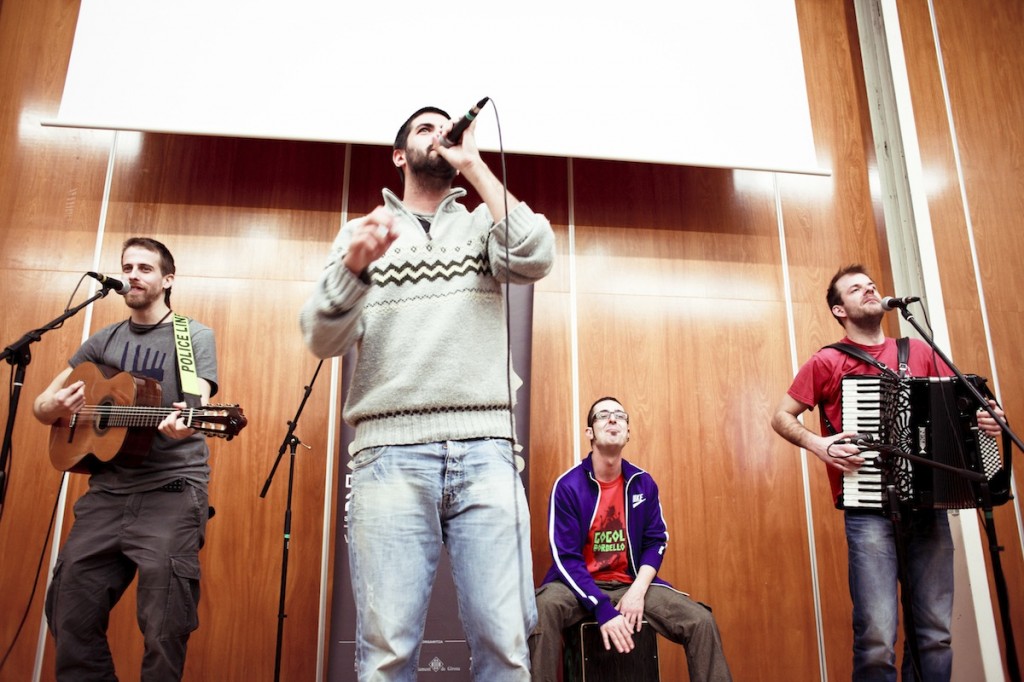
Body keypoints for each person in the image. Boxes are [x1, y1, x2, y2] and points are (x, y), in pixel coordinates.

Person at [300, 105, 554, 681]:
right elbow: (321, 335)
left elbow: (536, 254)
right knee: (386, 653)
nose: (438, 134)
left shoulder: (484, 225)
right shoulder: (360, 233)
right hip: (388, 456)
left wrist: (477, 167)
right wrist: (354, 271)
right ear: (398, 154)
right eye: (424, 128)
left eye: (447, 129)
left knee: (508, 644)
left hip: (486, 450)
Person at [770, 264, 1005, 681]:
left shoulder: (920, 351)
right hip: (868, 512)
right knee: (877, 636)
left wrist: (988, 419)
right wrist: (819, 444)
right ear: (839, 310)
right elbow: (782, 417)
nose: (869, 290)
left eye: (871, 285)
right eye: (856, 289)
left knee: (934, 633)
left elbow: (965, 407)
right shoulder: (828, 361)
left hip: (928, 505)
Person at [33, 237, 218, 681]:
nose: (133, 275)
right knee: (69, 608)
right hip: (108, 491)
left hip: (170, 490)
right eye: (127, 266)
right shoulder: (104, 339)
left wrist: (186, 421)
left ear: (167, 280)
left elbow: (198, 402)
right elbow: (42, 406)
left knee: (164, 623)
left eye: (145, 268)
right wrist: (59, 406)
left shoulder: (191, 336)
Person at [529, 396, 733, 682]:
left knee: (701, 621)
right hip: (577, 586)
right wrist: (601, 606)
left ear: (628, 432)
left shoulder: (643, 482)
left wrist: (638, 591)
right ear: (589, 433)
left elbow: (656, 541)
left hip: (630, 583)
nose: (612, 419)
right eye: (602, 415)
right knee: (541, 609)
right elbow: (566, 558)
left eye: (619, 416)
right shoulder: (568, 485)